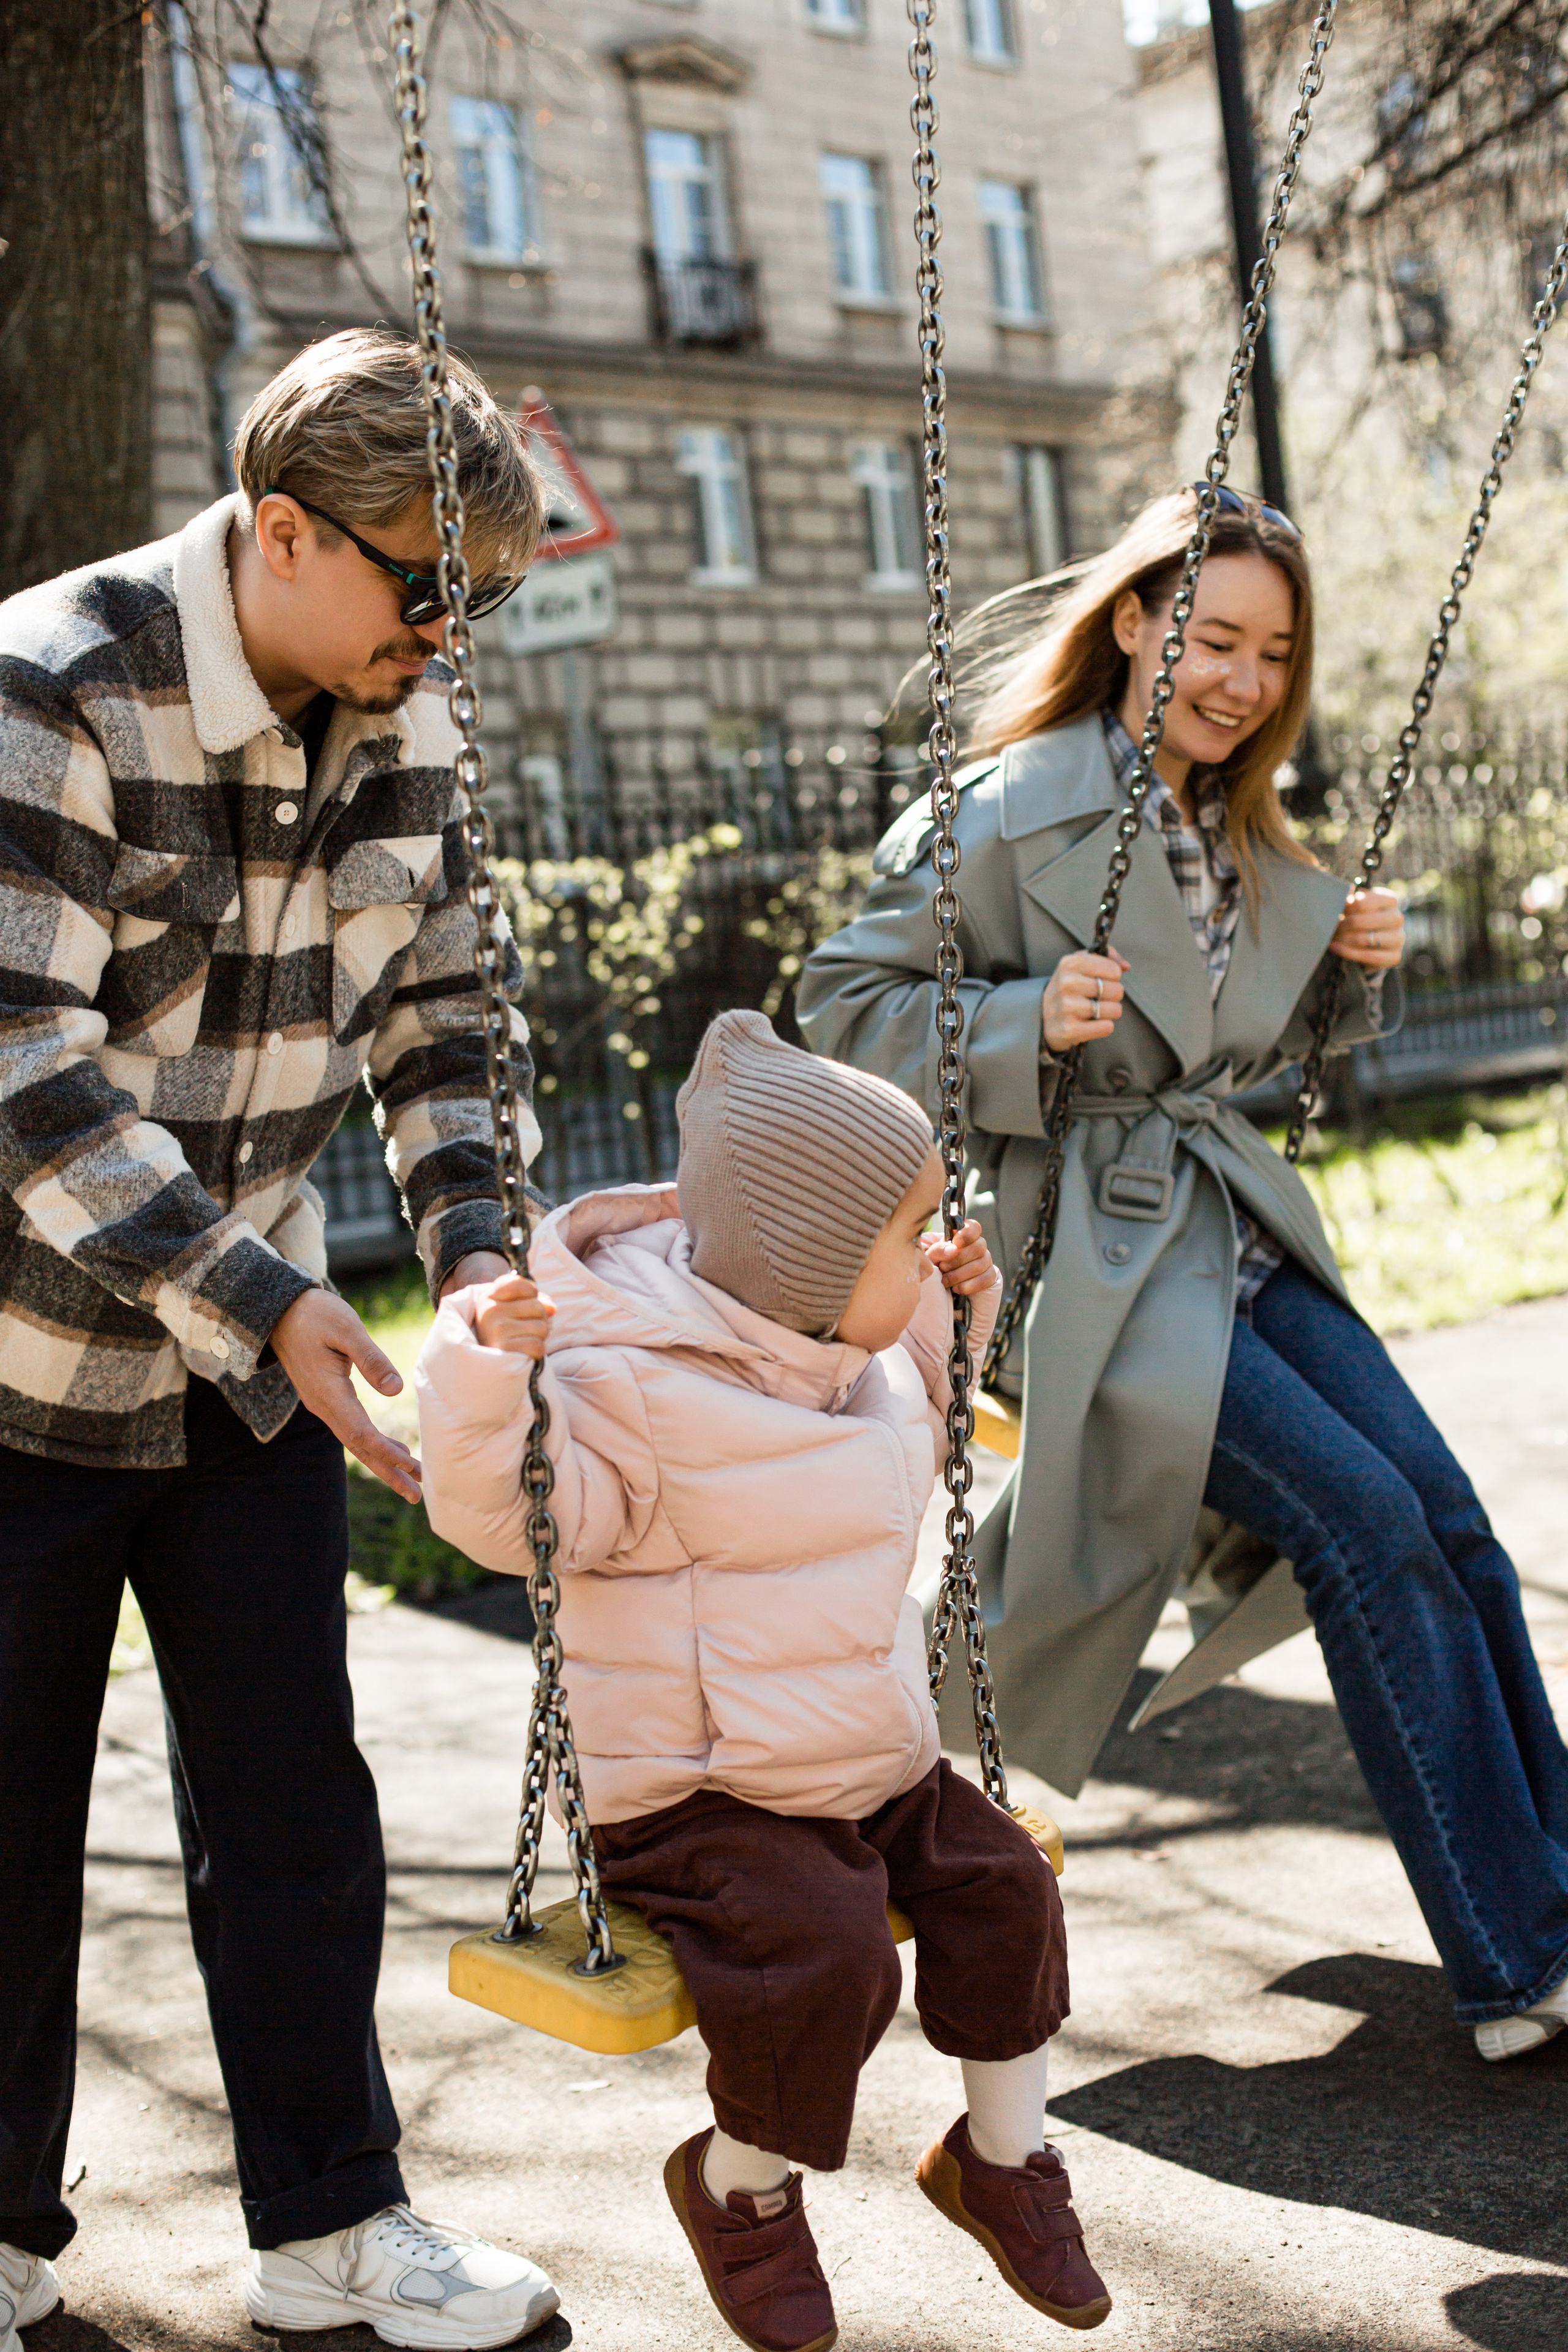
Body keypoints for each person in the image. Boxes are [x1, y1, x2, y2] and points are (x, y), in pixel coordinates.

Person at [797, 484, 1568, 2068]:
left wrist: (1346, 986)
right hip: (1091, 1261)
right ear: (1136, 620)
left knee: (1452, 1525)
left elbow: (1242, 1059)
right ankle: (1518, 1961)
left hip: (1226, 1222)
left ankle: (1549, 1884)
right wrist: (1021, 1026)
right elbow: (839, 1007)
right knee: (1364, 1529)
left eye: (1273, 654)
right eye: (1212, 637)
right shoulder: (1004, 810)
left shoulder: (1243, 832)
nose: (1240, 679)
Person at [0, 328, 562, 2348]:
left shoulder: (406, 712)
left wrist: (478, 1255)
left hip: (250, 1370)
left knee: (298, 1810)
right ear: (288, 529)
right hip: (20, 1375)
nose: (452, 629)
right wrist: (273, 1292)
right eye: (429, 584)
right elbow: (26, 1073)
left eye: (482, 594)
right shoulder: (51, 681)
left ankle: (330, 2228)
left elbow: (440, 1021)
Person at [417, 1010, 1111, 2352]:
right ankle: (738, 2189)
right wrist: (486, 1375)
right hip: (696, 1795)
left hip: (860, 1754)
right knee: (824, 1954)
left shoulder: (853, 1349)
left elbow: (931, 1389)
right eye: (908, 1234)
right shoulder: (623, 1383)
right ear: (808, 1262)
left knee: (1004, 1887)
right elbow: (513, 1524)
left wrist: (958, 1301)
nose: (928, 1245)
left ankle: (1001, 2160)